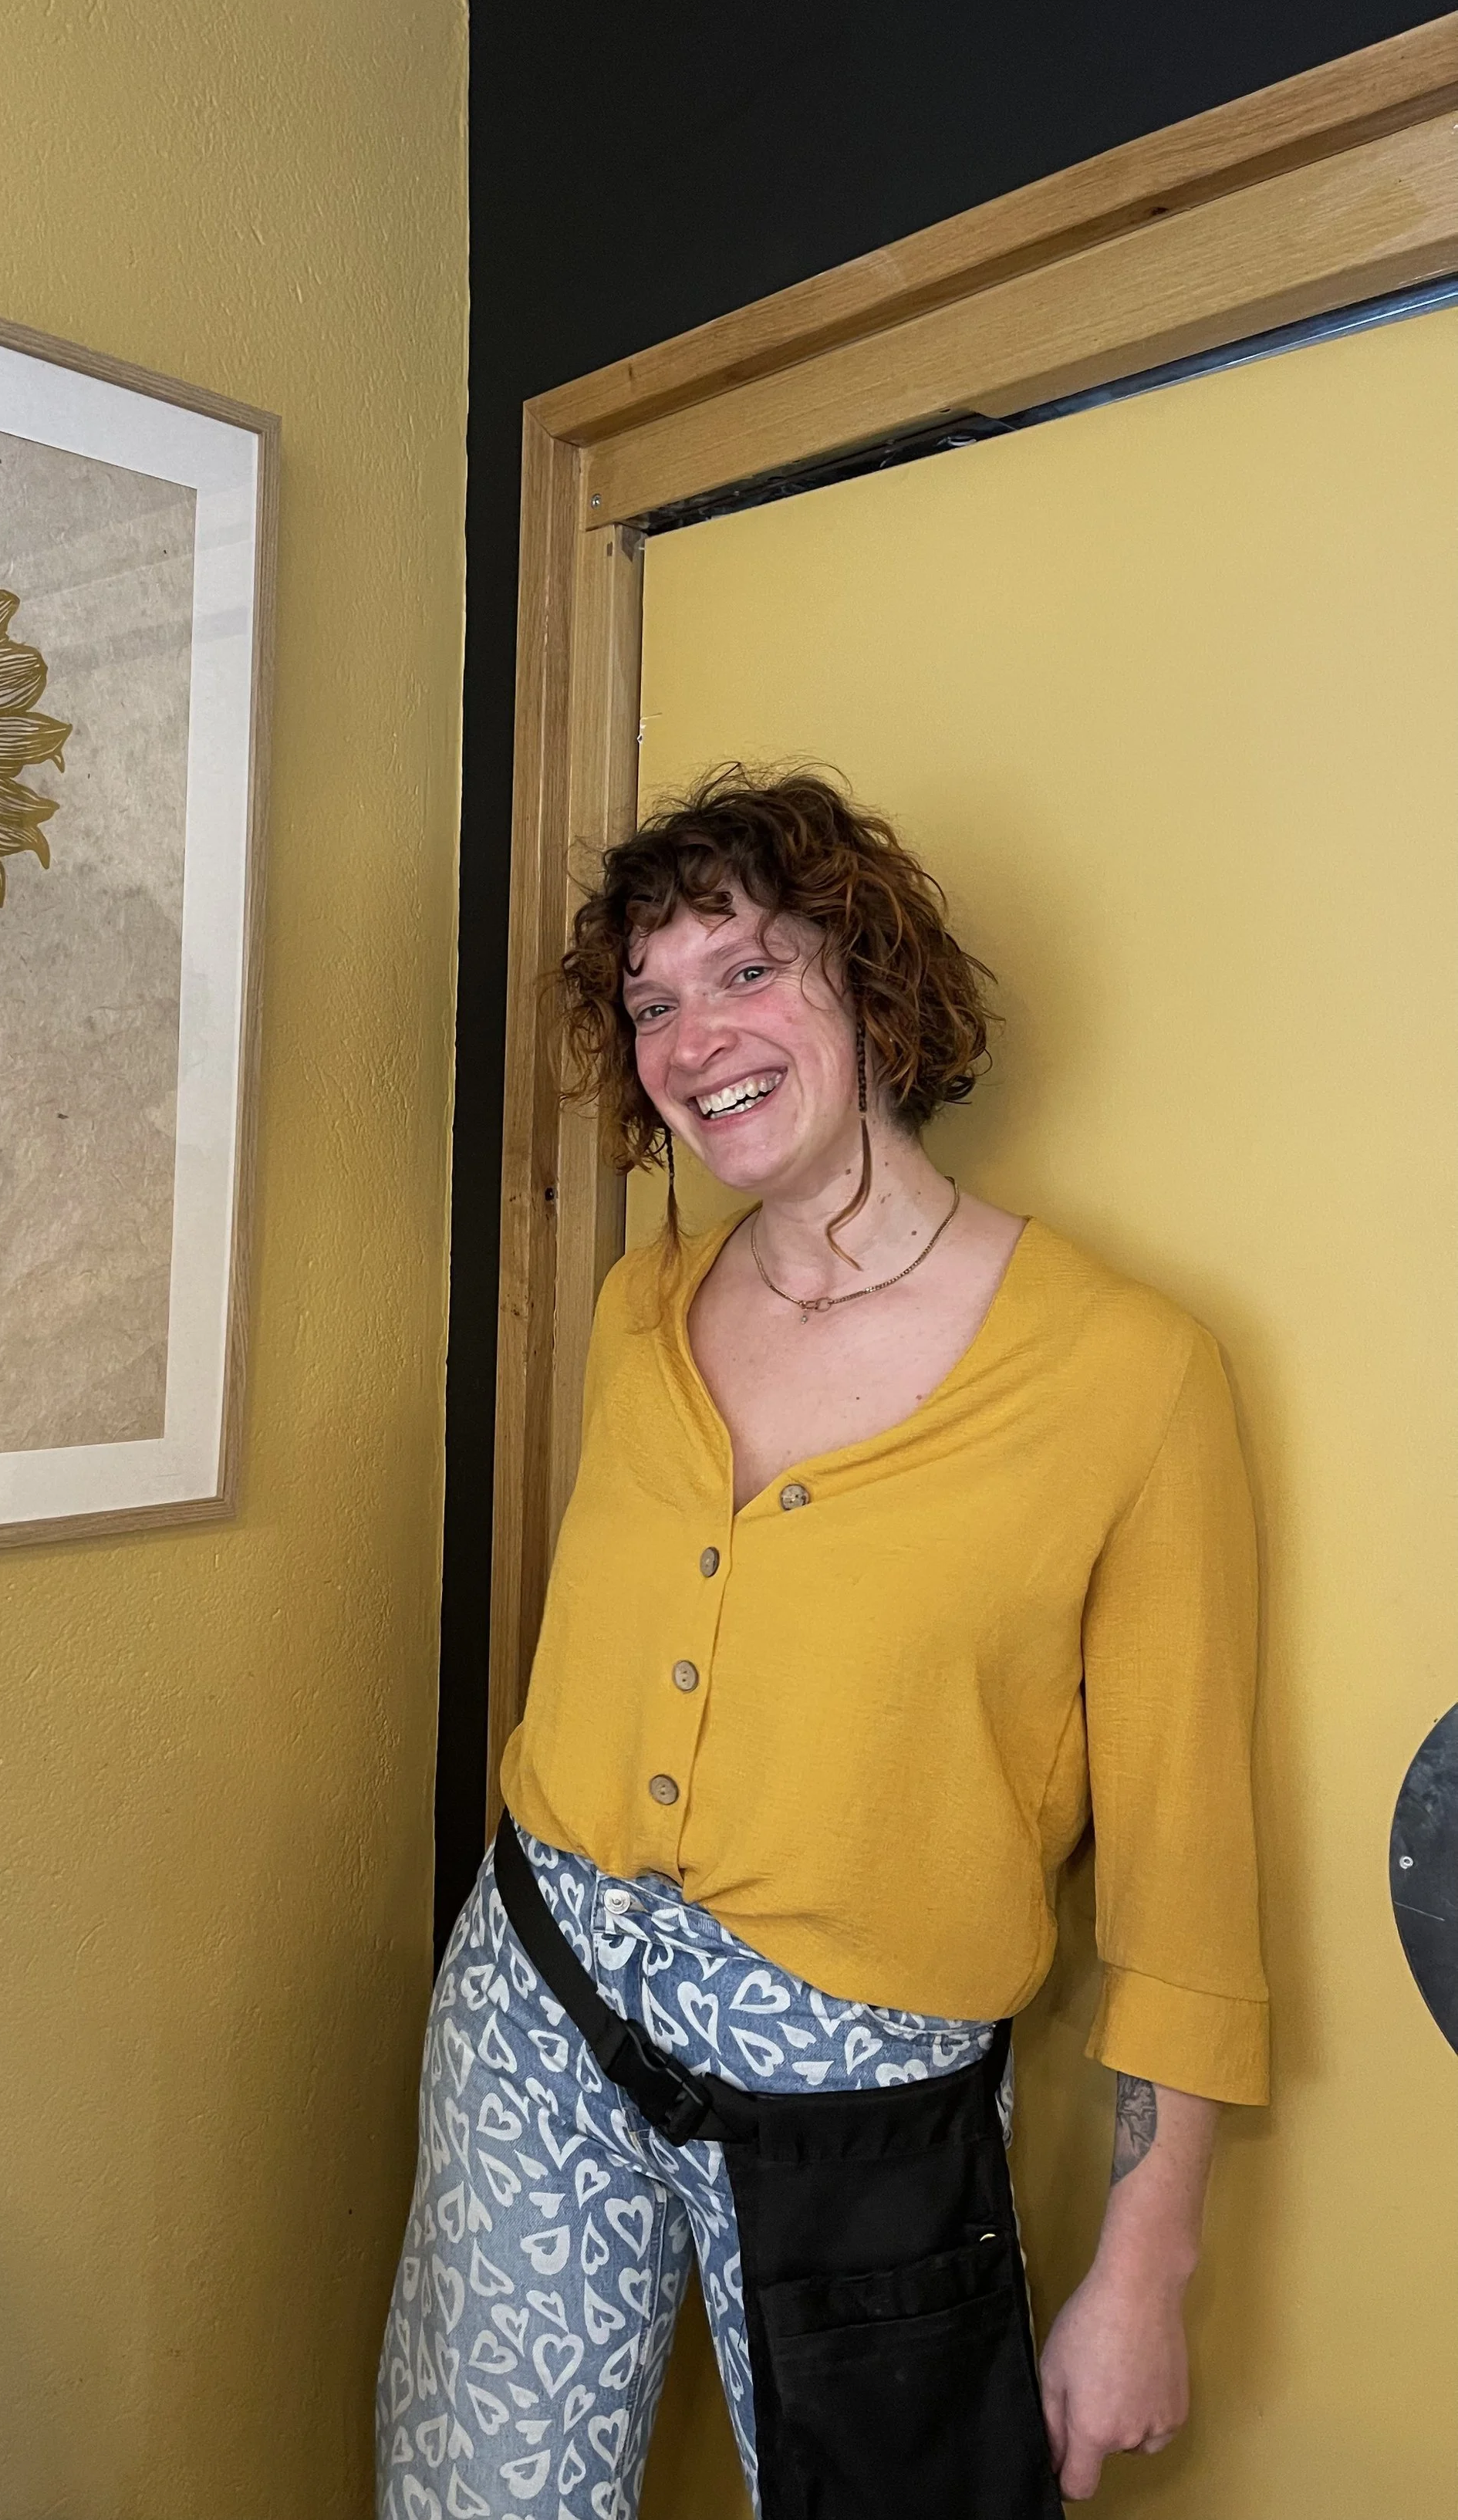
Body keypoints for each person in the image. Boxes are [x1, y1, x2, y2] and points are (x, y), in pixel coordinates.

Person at [377, 767, 1267, 2520]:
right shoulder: (642, 1312)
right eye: (648, 1000)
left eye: (743, 968)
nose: (689, 1033)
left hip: (863, 2099)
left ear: (866, 981)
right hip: (534, 2013)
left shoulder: (1127, 1370)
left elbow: (1183, 1861)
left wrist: (1144, 2269)